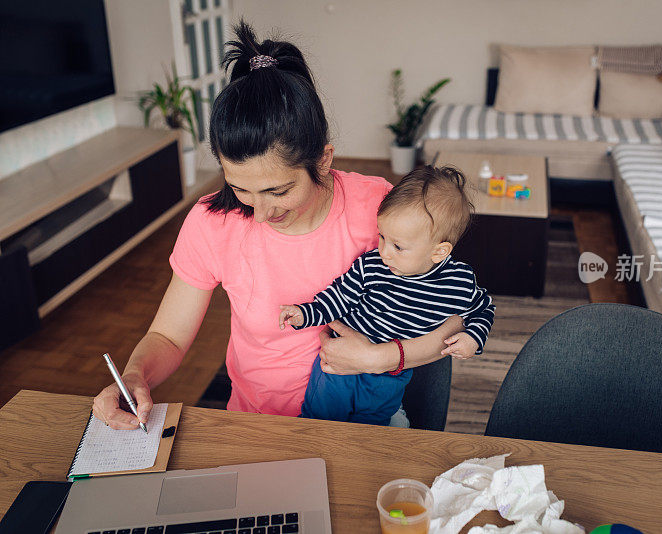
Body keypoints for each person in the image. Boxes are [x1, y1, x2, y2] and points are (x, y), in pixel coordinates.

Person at [92, 21, 462, 429]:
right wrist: (134, 376)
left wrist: (382, 357)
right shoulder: (212, 222)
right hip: (258, 424)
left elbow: (452, 311)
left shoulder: (379, 208)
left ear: (323, 160)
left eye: (278, 191)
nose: (260, 213)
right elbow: (169, 337)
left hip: (361, 419)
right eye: (241, 189)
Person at [279, 166, 496, 425]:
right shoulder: (371, 266)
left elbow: (483, 309)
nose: (384, 252)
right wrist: (305, 313)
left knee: (374, 426)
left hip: (389, 375)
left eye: (398, 246)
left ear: (439, 252)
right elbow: (338, 297)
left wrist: (474, 337)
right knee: (321, 421)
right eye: (382, 237)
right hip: (338, 366)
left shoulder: (458, 283)